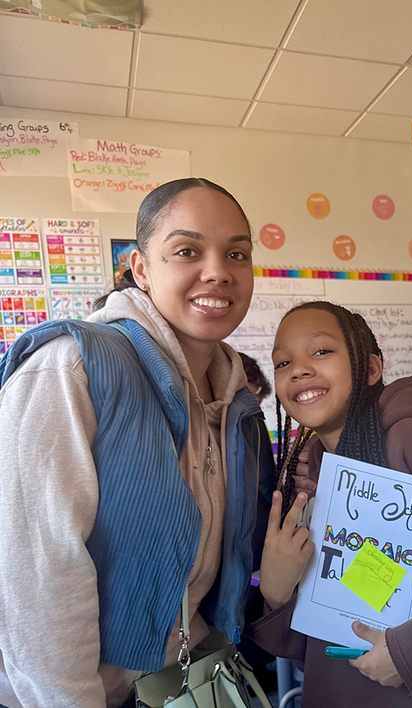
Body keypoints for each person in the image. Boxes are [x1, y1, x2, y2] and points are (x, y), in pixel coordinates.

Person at [0, 178, 274, 708]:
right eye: (187, 251)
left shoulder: (233, 399)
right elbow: (36, 581)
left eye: (236, 253)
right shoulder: (72, 366)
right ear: (141, 268)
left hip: (178, 684)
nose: (217, 271)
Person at [247, 301, 412, 707]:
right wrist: (278, 592)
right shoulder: (307, 474)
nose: (298, 369)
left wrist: (410, 651)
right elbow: (323, 632)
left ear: (370, 370)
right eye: (282, 363)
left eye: (321, 351)